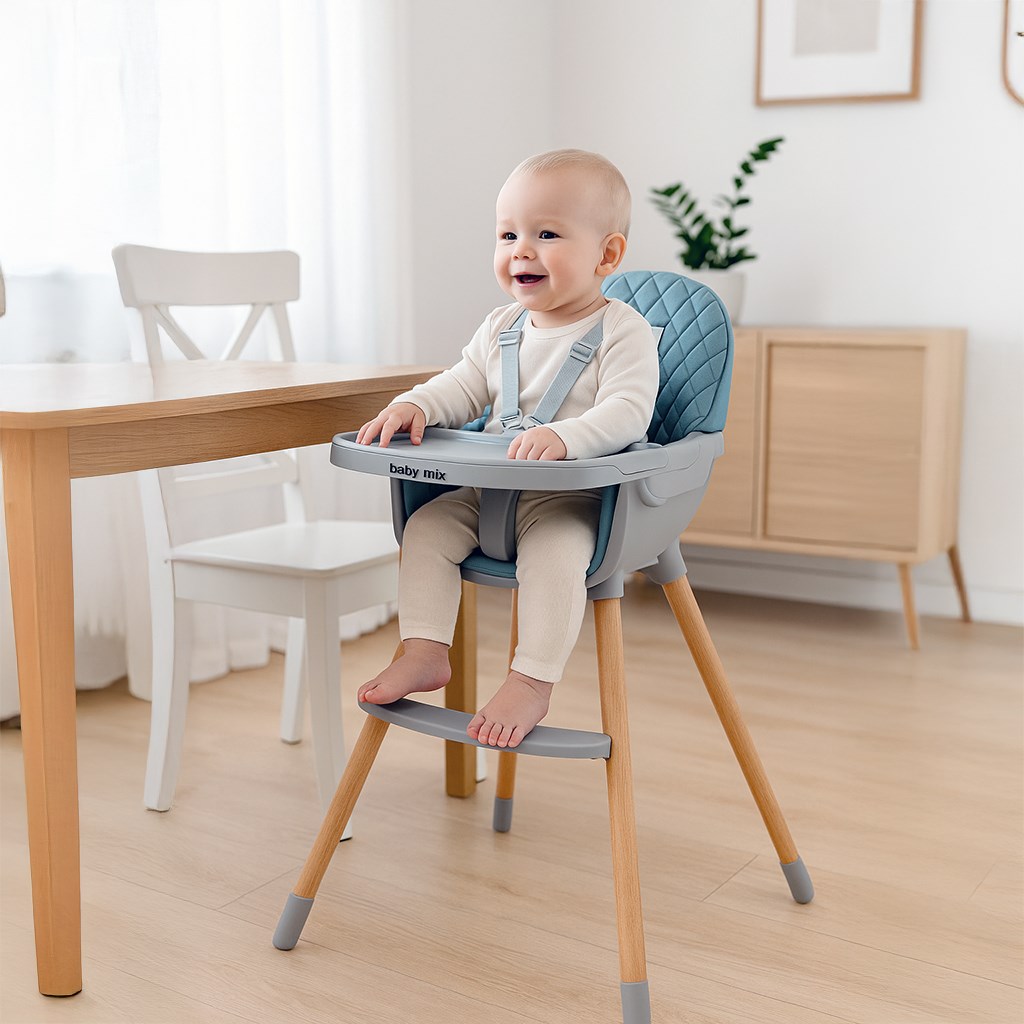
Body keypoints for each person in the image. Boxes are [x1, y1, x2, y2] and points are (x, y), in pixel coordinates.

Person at [355, 148, 659, 748]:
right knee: (426, 530)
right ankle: (423, 651)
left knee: (555, 558)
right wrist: (417, 406)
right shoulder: (501, 328)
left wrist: (566, 437)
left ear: (607, 255)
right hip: (487, 491)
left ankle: (531, 681)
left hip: (568, 502)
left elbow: (629, 411)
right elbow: (462, 385)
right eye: (508, 234)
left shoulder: (623, 330)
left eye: (547, 234)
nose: (521, 249)